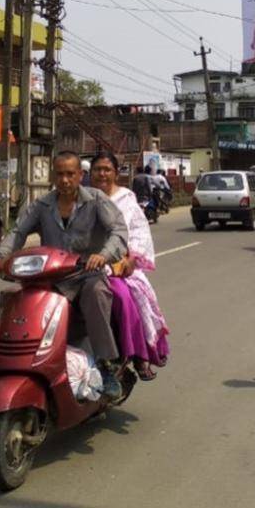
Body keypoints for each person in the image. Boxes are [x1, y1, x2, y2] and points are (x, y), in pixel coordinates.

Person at [0, 151, 129, 399]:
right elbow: (18, 233)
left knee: (96, 293)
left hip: (86, 274)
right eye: (60, 174)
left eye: (70, 174)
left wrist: (103, 255)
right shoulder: (42, 205)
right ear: (53, 176)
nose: (65, 180)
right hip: (51, 277)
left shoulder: (96, 200)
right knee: (20, 301)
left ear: (80, 175)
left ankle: (106, 366)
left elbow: (118, 231)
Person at [90, 152, 169, 381]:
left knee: (123, 296)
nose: (102, 174)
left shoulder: (126, 199)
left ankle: (135, 355)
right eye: (97, 169)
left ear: (116, 173)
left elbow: (138, 232)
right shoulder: (81, 198)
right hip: (82, 266)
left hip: (117, 266)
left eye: (107, 169)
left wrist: (130, 259)